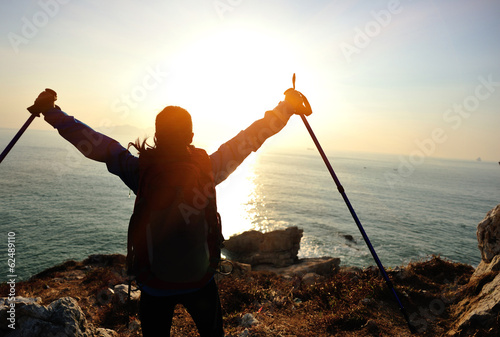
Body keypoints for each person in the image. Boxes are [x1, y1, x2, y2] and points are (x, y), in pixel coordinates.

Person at [30, 87, 310, 336]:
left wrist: (53, 113)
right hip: (200, 280)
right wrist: (286, 107)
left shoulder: (141, 171)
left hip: (155, 284)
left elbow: (97, 145)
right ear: (190, 136)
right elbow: (249, 139)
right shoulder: (207, 169)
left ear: (157, 136)